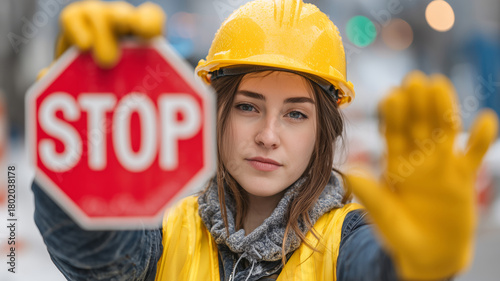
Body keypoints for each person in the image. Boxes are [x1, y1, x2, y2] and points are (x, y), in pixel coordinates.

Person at [32, 0, 499, 280]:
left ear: (322, 133)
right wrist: (81, 156)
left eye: (296, 114)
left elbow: (376, 268)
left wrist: (417, 269)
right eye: (247, 106)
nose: (268, 136)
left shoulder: (346, 241)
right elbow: (97, 261)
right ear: (214, 112)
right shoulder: (166, 228)